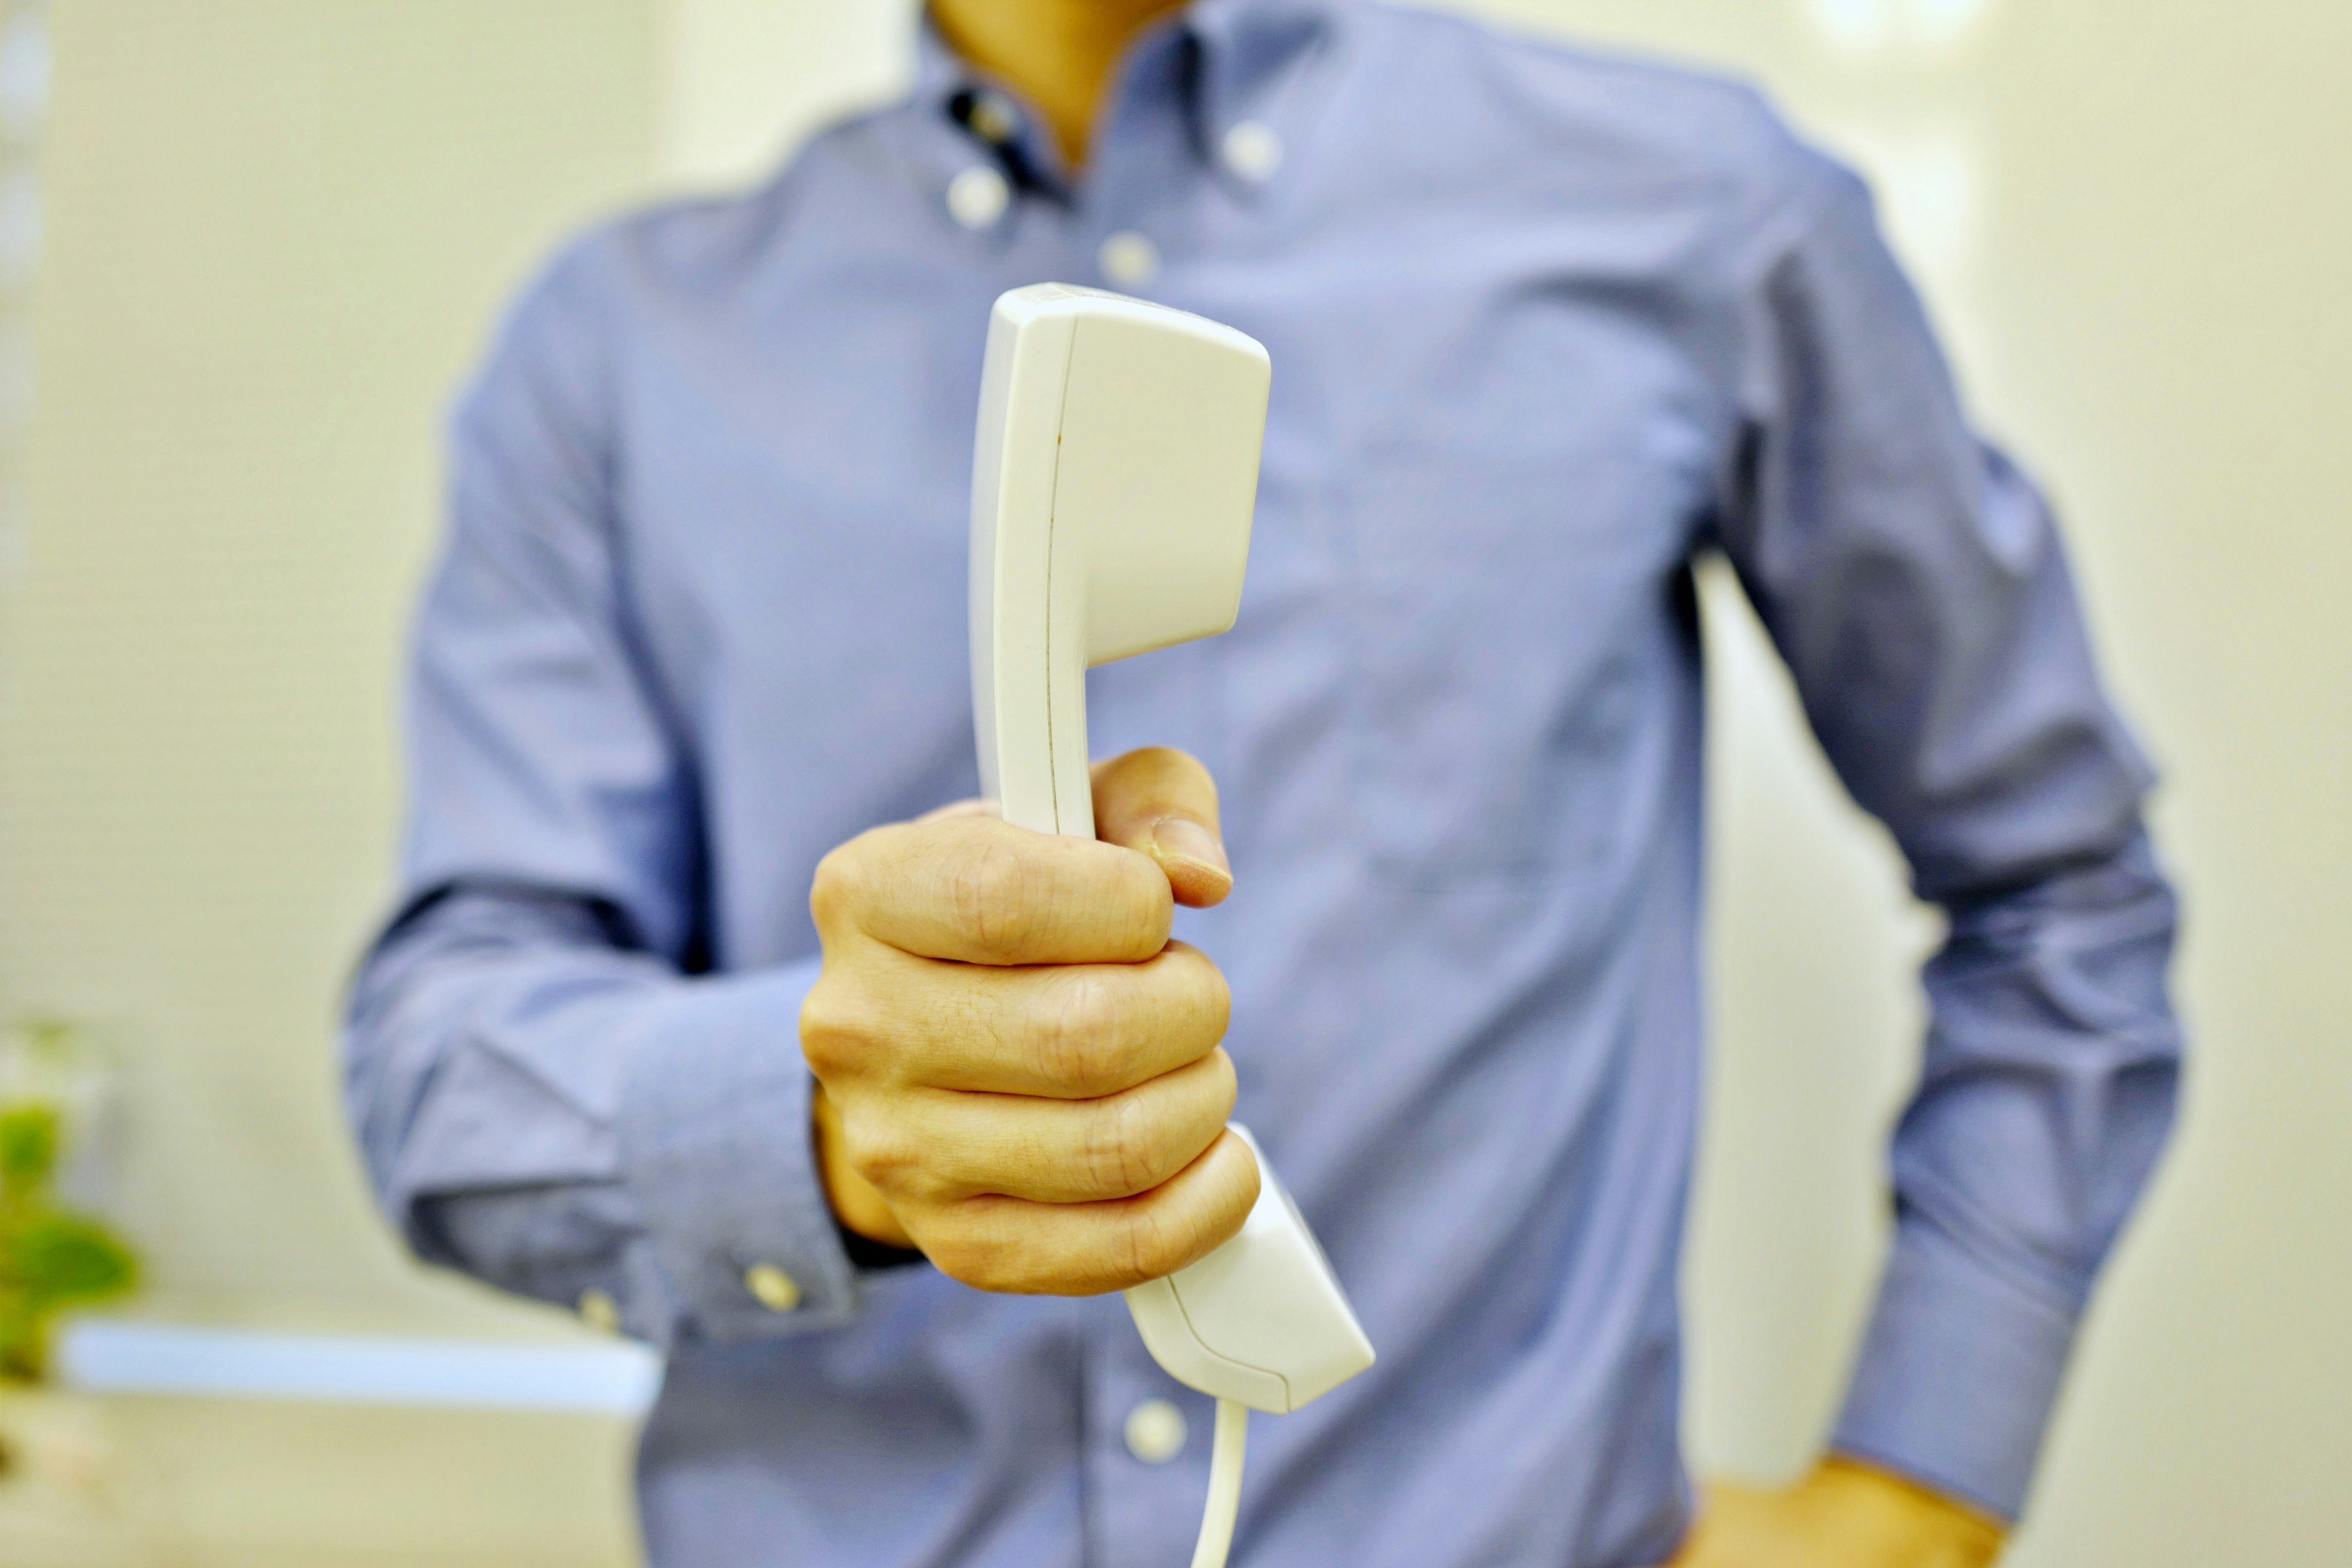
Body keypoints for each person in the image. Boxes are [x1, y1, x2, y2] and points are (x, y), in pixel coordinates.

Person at [341, 1, 2183, 1564]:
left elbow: (2060, 891)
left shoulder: (1694, 214)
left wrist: (1914, 1489)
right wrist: (832, 1134)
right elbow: (442, 1060)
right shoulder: (622, 344)